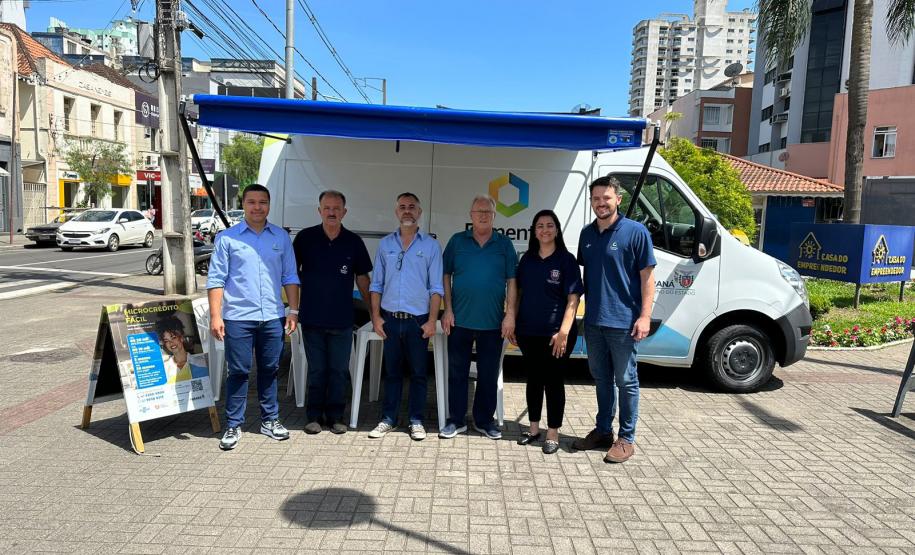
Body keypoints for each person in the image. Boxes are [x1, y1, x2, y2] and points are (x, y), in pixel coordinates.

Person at [207, 184, 301, 451]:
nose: (257, 207)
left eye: (263, 202)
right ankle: (234, 424)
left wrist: (293, 311)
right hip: (238, 317)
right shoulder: (227, 238)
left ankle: (269, 420)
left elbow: (290, 276)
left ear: (269, 205)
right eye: (251, 202)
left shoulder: (281, 237)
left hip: (272, 316)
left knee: (270, 370)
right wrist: (216, 316)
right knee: (237, 371)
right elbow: (216, 280)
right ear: (243, 204)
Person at [574, 176, 656, 463]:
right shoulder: (587, 235)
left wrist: (645, 316)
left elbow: (647, 279)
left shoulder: (636, 232)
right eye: (596, 198)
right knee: (601, 379)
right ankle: (602, 431)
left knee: (626, 380)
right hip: (594, 321)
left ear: (618, 199)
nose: (601, 203)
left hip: (624, 323)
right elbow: (586, 276)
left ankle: (626, 438)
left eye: (606, 198)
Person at [293, 190, 372, 435]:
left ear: (344, 212)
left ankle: (336, 416)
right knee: (318, 370)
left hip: (342, 320)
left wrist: (373, 311)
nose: (331, 212)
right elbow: (291, 275)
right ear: (319, 211)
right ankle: (314, 416)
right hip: (312, 318)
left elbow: (362, 279)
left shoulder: (353, 242)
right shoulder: (305, 239)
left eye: (336, 208)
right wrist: (293, 311)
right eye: (326, 208)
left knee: (339, 370)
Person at [439, 195, 518, 440]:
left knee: (488, 373)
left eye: (488, 211)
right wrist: (447, 309)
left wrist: (510, 314)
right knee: (457, 371)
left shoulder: (504, 244)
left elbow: (512, 281)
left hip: (493, 321)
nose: (483, 215)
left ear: (494, 216)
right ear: (471, 215)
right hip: (459, 319)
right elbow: (445, 275)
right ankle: (455, 420)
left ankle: (484, 421)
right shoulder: (456, 241)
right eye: (478, 211)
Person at [367, 193, 443, 440]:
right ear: (396, 212)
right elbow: (376, 284)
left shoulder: (431, 246)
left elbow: (436, 288)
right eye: (402, 207)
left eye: (412, 207)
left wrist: (432, 320)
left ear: (419, 212)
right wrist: (376, 317)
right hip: (390, 319)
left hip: (417, 321)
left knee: (419, 373)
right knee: (392, 373)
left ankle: (416, 420)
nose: (407, 211)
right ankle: (388, 419)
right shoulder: (386, 245)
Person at [511, 210, 583, 455]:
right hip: (528, 331)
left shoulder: (566, 260)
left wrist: (563, 332)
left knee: (553, 382)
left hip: (556, 335)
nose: (545, 230)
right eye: (540, 225)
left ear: (557, 229)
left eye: (549, 225)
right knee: (533, 379)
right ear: (534, 231)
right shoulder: (527, 259)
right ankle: (533, 429)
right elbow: (518, 294)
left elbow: (573, 299)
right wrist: (513, 322)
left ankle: (553, 432)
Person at [157, 317, 208, 383]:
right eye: (166, 340)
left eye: (173, 337)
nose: (171, 343)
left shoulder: (202, 363)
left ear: (181, 338)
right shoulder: (163, 369)